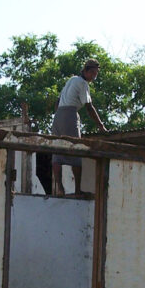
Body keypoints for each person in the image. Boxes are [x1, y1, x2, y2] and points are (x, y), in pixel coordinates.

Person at [50, 58, 106, 196]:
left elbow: (58, 101)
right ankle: (77, 190)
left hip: (58, 116)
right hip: (69, 114)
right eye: (92, 73)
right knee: (76, 149)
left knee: (57, 151)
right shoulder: (82, 83)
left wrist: (59, 115)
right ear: (86, 71)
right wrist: (101, 126)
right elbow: (89, 106)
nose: (94, 76)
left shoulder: (72, 80)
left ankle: (60, 188)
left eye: (96, 74)